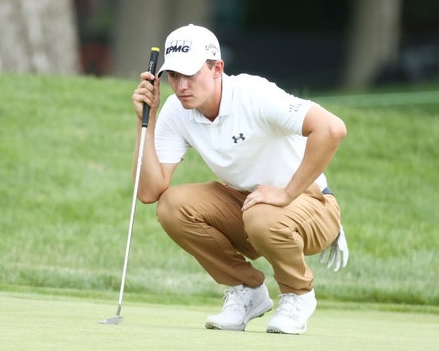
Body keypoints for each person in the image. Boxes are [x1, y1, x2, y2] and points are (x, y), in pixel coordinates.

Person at [131, 24, 349, 334]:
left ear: (217, 68)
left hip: (312, 205)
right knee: (172, 206)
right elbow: (149, 191)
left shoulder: (252, 94)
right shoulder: (176, 110)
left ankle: (298, 293)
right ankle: (247, 291)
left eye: (191, 74)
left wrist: (286, 194)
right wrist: (146, 120)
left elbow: (332, 128)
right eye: (173, 76)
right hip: (252, 206)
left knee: (261, 213)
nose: (181, 86)